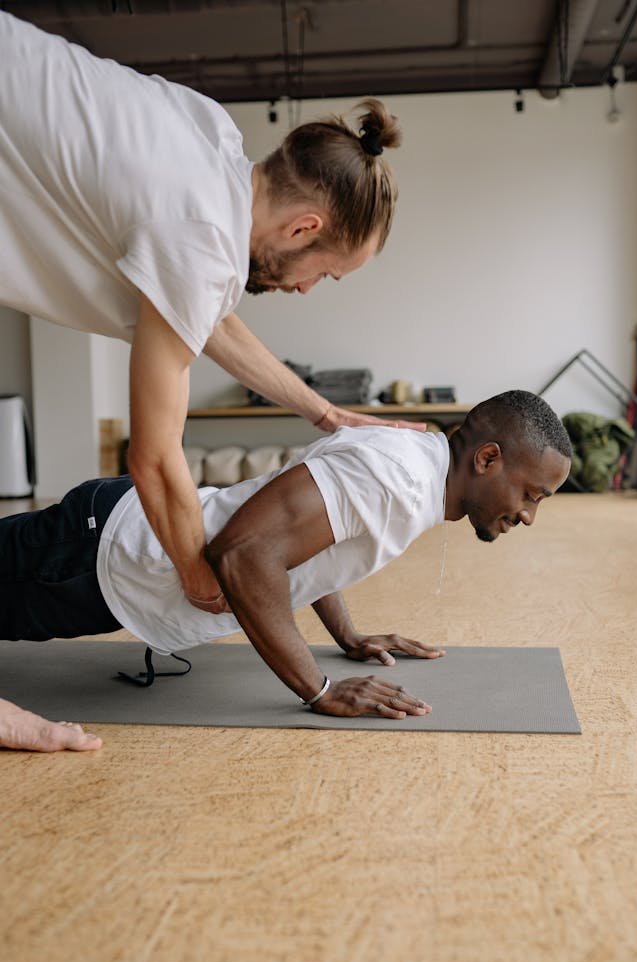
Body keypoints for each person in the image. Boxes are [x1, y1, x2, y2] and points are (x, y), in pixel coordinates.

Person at [0, 12, 422, 620]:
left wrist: (324, 412)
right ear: (306, 227)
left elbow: (211, 317)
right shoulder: (202, 237)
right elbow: (153, 455)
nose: (306, 290)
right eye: (323, 272)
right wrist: (200, 576)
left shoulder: (213, 141)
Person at [0, 391, 572, 752]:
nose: (527, 515)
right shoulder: (399, 479)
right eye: (532, 494)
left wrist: (346, 635)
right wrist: (317, 689)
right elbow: (243, 554)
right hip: (103, 551)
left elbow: (312, 543)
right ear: (488, 458)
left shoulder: (416, 471)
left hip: (117, 544)